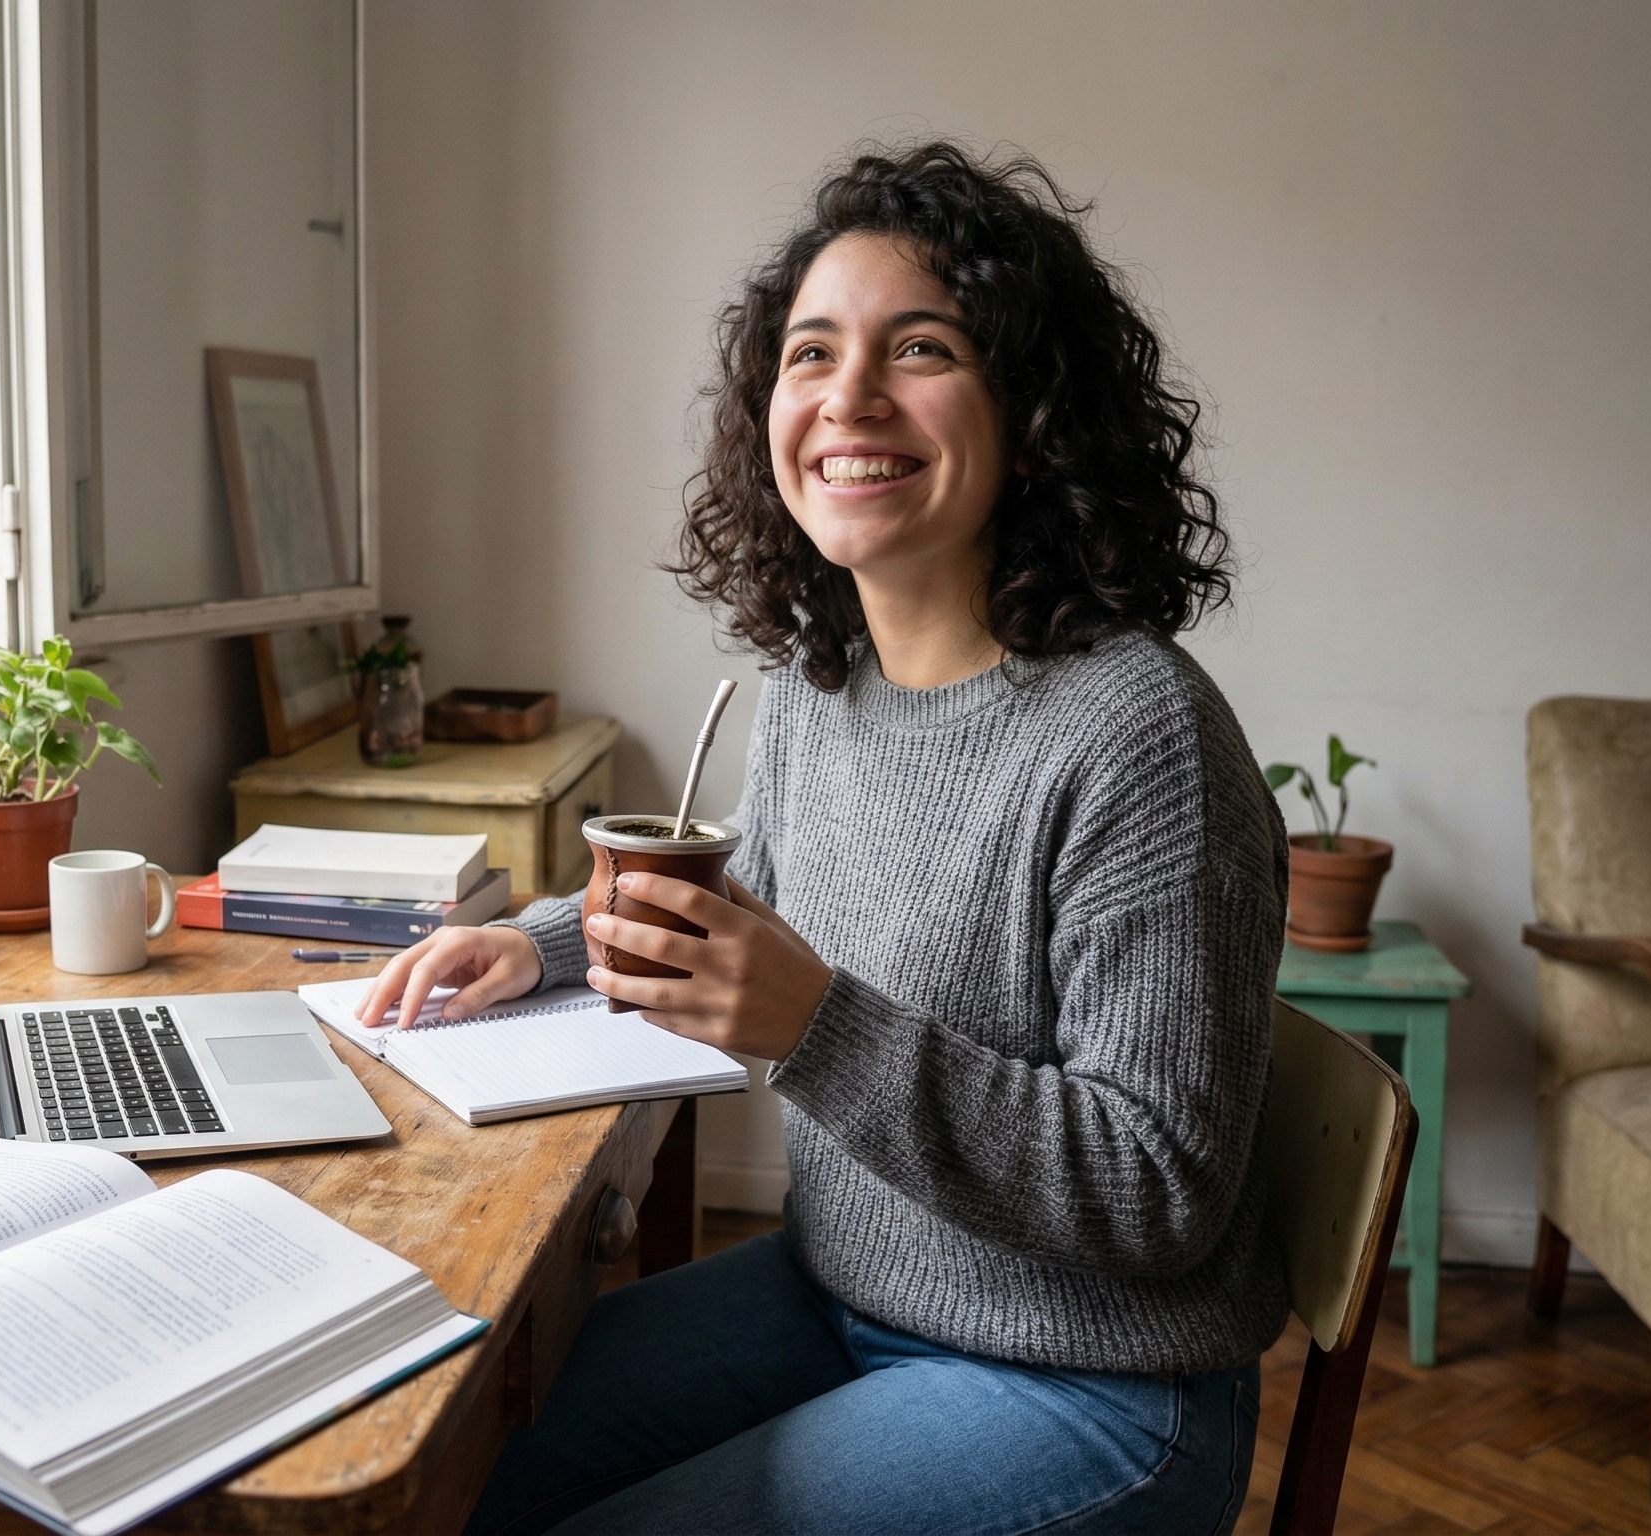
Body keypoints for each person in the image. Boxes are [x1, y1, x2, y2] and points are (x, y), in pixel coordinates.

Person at [360, 140, 1287, 1535]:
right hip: (839, 1289)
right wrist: (531, 942)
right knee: (452, 1458)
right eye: (810, 353)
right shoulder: (823, 684)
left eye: (920, 347)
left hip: (1091, 1387)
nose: (848, 396)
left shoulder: (1135, 735)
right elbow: (764, 895)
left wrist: (818, 1027)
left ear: (1031, 408)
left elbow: (1163, 1191)